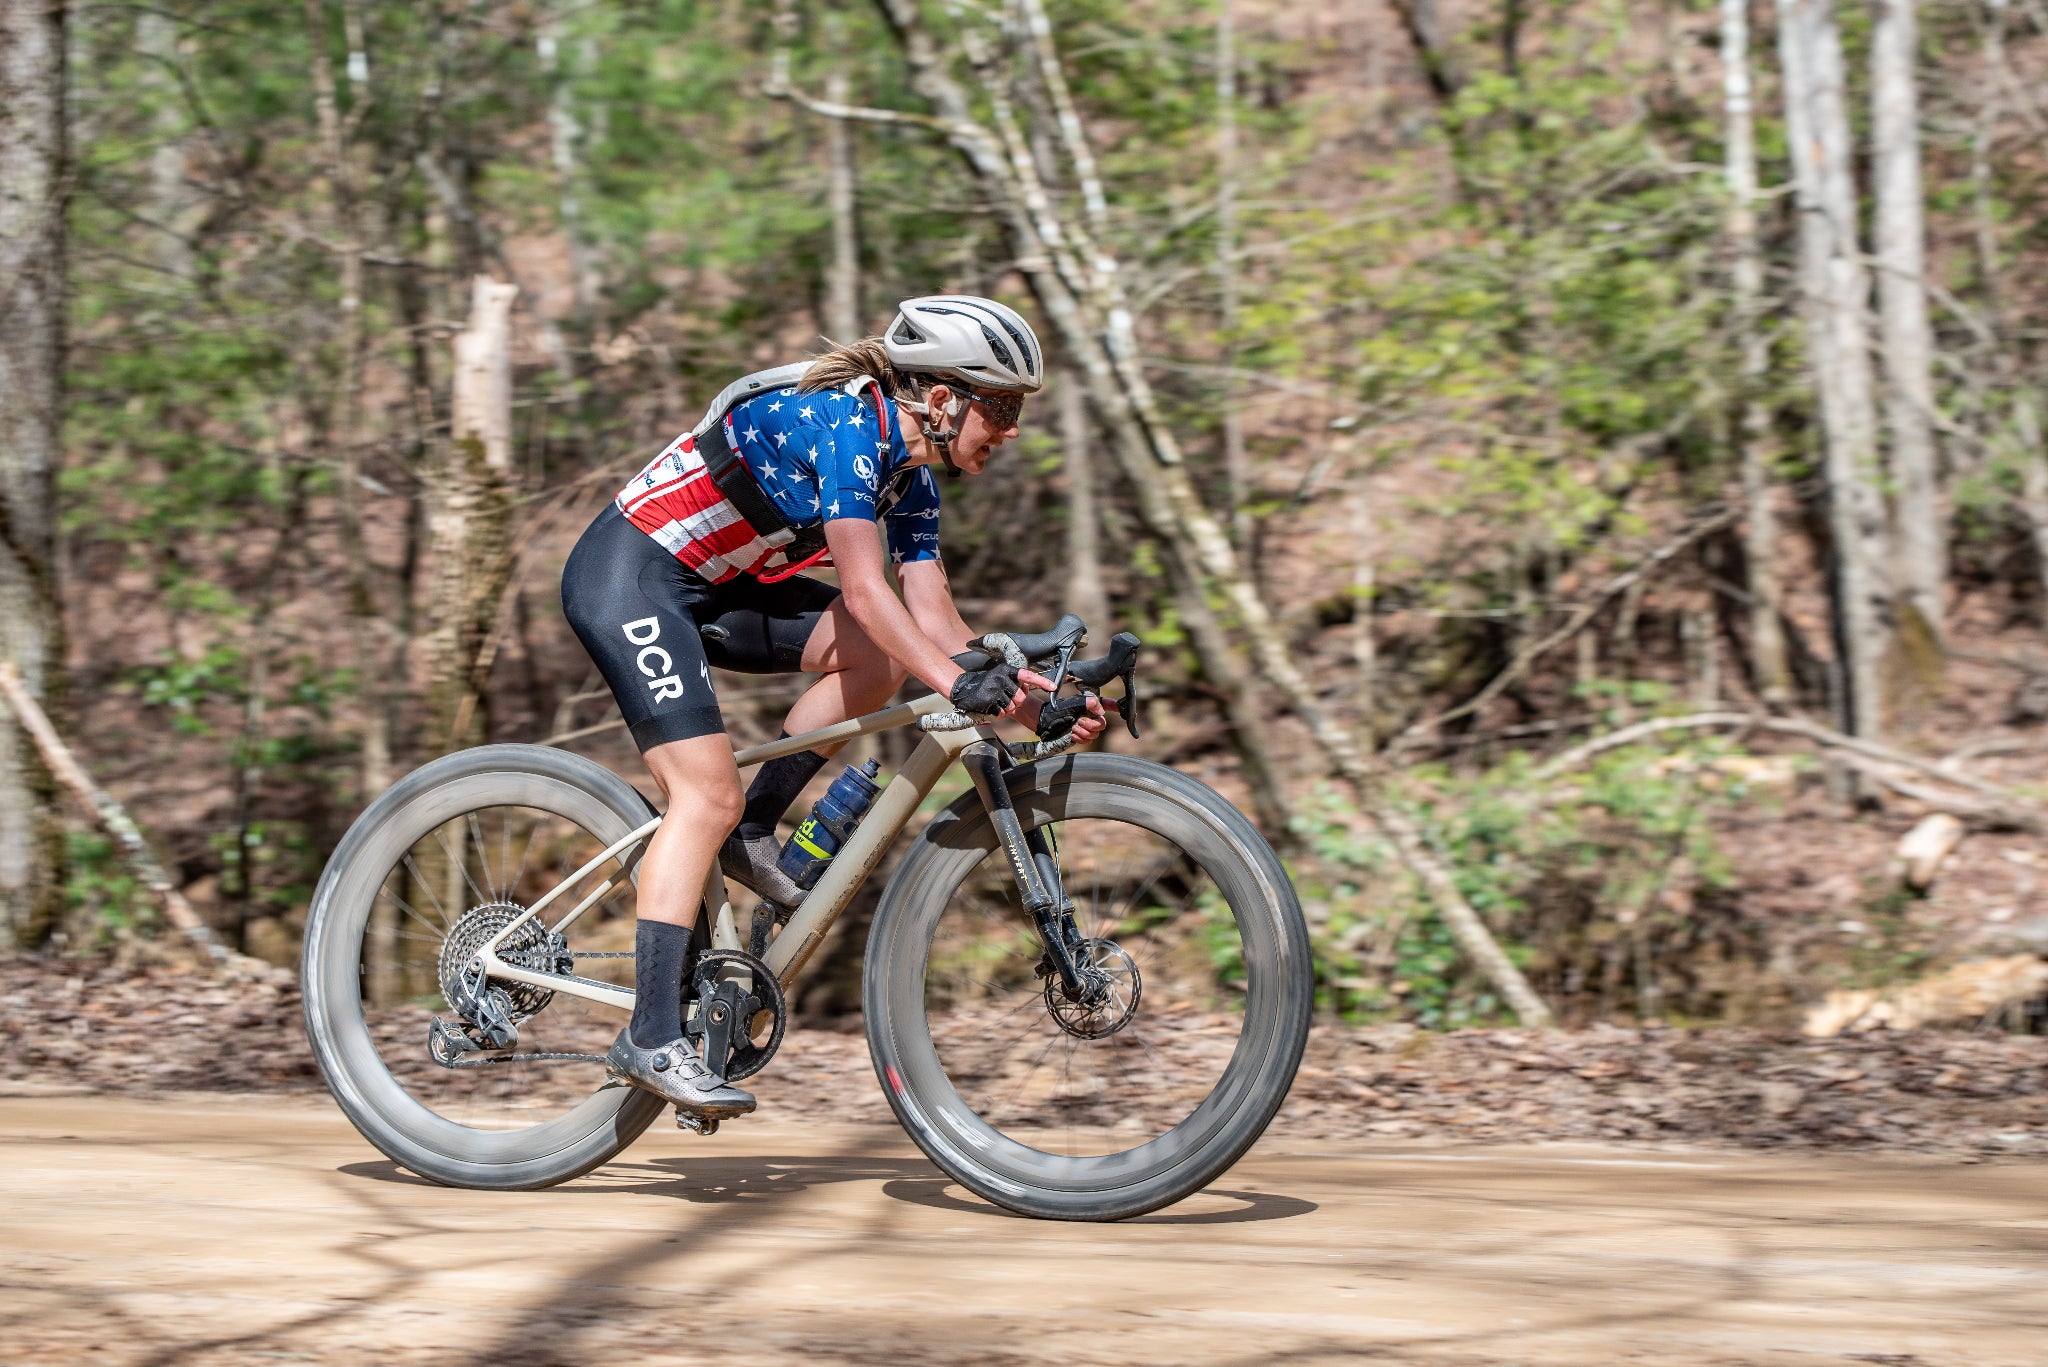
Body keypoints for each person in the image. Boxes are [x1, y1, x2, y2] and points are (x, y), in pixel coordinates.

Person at [560, 295, 1108, 1120]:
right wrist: (960, 684)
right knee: (705, 792)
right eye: (1001, 407)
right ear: (942, 397)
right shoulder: (850, 427)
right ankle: (648, 1033)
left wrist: (1033, 702)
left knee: (881, 655)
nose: (1012, 429)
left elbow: (934, 625)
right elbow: (864, 587)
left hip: (716, 585)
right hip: (631, 575)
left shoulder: (913, 476)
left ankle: (754, 827)